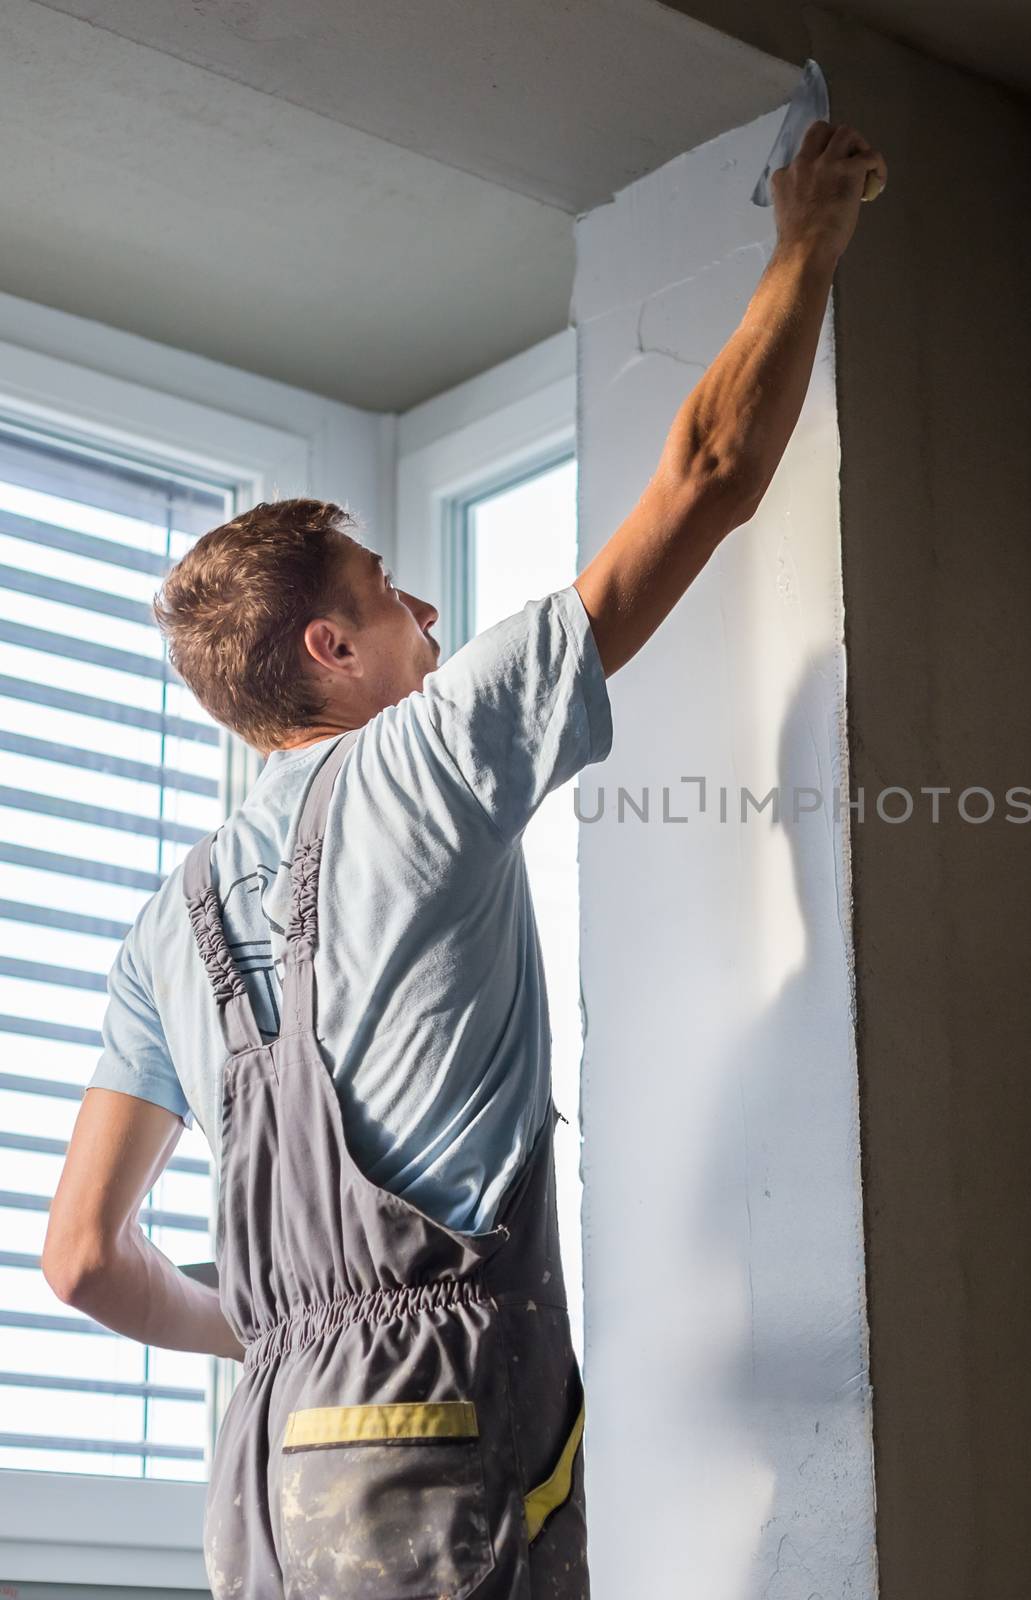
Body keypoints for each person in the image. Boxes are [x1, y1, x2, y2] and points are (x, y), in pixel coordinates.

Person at [40, 119, 887, 1599]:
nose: (427, 613)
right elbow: (706, 473)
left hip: (263, 1473)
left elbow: (83, 1263)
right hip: (428, 1436)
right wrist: (807, 237)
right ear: (332, 647)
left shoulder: (161, 928)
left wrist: (290, 1329)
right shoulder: (433, 750)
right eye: (391, 590)